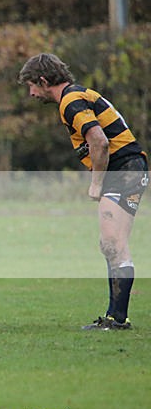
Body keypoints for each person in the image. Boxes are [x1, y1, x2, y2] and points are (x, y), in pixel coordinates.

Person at [18, 53, 148, 330]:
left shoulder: (71, 100)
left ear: (43, 81)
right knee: (113, 244)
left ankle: (117, 319)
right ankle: (116, 317)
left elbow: (100, 142)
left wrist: (97, 183)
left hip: (123, 170)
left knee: (112, 242)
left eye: (31, 86)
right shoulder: (77, 96)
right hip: (131, 168)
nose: (31, 94)